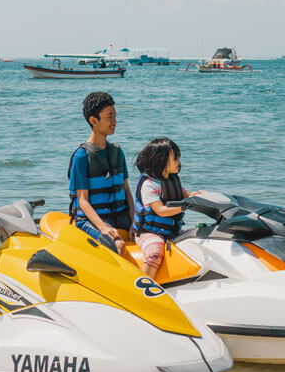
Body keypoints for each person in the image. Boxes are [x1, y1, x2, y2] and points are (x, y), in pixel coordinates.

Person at [68, 92, 134, 255]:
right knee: (118, 245)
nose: (114, 122)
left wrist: (135, 221)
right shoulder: (82, 156)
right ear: (94, 120)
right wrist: (103, 228)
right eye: (109, 117)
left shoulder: (117, 152)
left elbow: (126, 191)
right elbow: (83, 201)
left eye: (115, 116)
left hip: (120, 216)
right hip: (92, 220)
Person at [132, 138, 199, 278]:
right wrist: (184, 207)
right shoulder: (149, 185)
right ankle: (142, 288)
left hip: (171, 230)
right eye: (175, 159)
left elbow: (188, 198)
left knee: (196, 237)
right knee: (154, 254)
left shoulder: (175, 180)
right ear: (160, 161)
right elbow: (160, 210)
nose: (179, 162)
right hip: (149, 232)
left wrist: (198, 197)